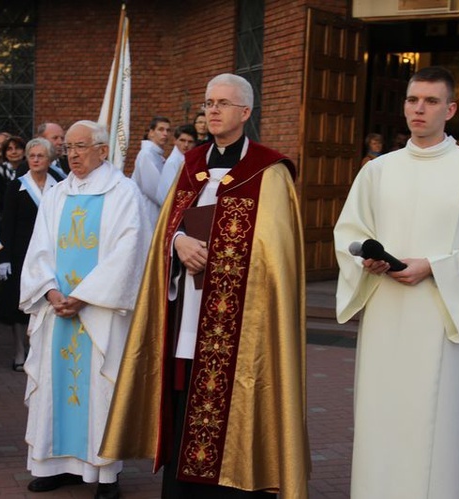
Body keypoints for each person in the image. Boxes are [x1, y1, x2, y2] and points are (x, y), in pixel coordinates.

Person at [100, 73, 310, 498]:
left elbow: (277, 257)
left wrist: (224, 255)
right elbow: (165, 229)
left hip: (242, 324)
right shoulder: (189, 165)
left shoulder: (269, 172)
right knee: (183, 395)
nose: (212, 110)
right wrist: (177, 243)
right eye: (208, 103)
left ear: (245, 112)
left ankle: (238, 482)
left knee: (237, 397)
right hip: (189, 313)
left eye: (223, 103)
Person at [333, 66, 459, 499]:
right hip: (387, 317)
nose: (419, 108)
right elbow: (349, 233)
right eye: (413, 99)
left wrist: (433, 266)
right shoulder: (378, 171)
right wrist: (367, 260)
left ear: (450, 109)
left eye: (431, 101)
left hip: (443, 316)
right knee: (385, 418)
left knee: (441, 426)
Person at [20, 120, 151, 498]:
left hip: (99, 313)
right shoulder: (57, 195)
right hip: (56, 311)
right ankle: (53, 464)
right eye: (69, 148)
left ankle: (104, 474)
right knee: (53, 385)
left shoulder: (124, 193)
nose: (73, 154)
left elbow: (130, 251)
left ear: (103, 150)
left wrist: (84, 296)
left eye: (81, 147)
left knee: (99, 389)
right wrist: (49, 291)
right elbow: (38, 248)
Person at [0, 137, 58, 371]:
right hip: (21, 251)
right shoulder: (17, 185)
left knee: (45, 299)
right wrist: (4, 258)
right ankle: (20, 349)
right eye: (31, 155)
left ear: (50, 159)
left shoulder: (59, 183)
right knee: (19, 302)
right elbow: (7, 224)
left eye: (40, 156)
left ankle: (39, 347)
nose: (35, 159)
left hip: (50, 252)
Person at [131, 116, 170, 226]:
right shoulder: (146, 155)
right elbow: (156, 190)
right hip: (147, 212)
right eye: (161, 129)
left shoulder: (156, 155)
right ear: (151, 132)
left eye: (168, 130)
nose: (165, 133)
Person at [155, 124, 196, 205]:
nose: (186, 145)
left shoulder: (188, 160)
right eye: (182, 140)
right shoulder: (172, 162)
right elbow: (169, 193)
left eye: (190, 142)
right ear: (175, 140)